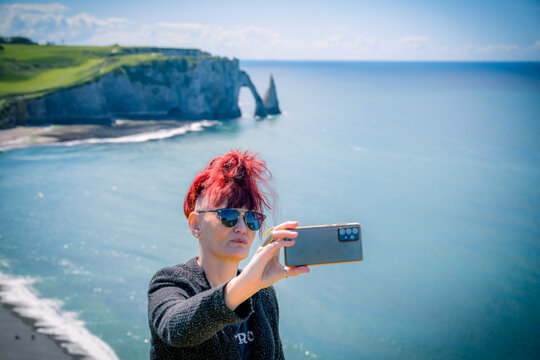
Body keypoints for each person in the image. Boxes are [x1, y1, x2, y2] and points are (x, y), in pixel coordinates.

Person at [147, 149, 310, 359]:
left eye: (251, 219)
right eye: (229, 216)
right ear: (196, 225)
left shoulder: (263, 294)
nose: (243, 228)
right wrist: (246, 285)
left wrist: (253, 285)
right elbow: (176, 329)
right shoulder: (171, 283)